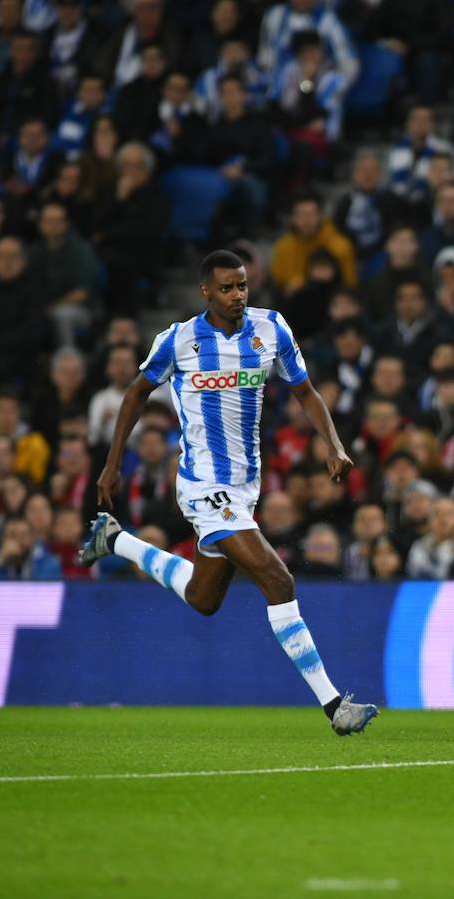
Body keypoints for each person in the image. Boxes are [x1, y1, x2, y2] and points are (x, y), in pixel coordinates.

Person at [78, 250, 377, 736]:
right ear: (205, 292)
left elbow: (305, 391)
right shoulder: (178, 341)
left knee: (204, 598)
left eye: (241, 286)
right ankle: (334, 706)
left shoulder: (272, 329)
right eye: (226, 288)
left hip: (245, 487)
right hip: (202, 484)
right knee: (277, 580)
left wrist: (333, 444)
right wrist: (112, 465)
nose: (237, 295)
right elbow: (135, 394)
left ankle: (115, 541)